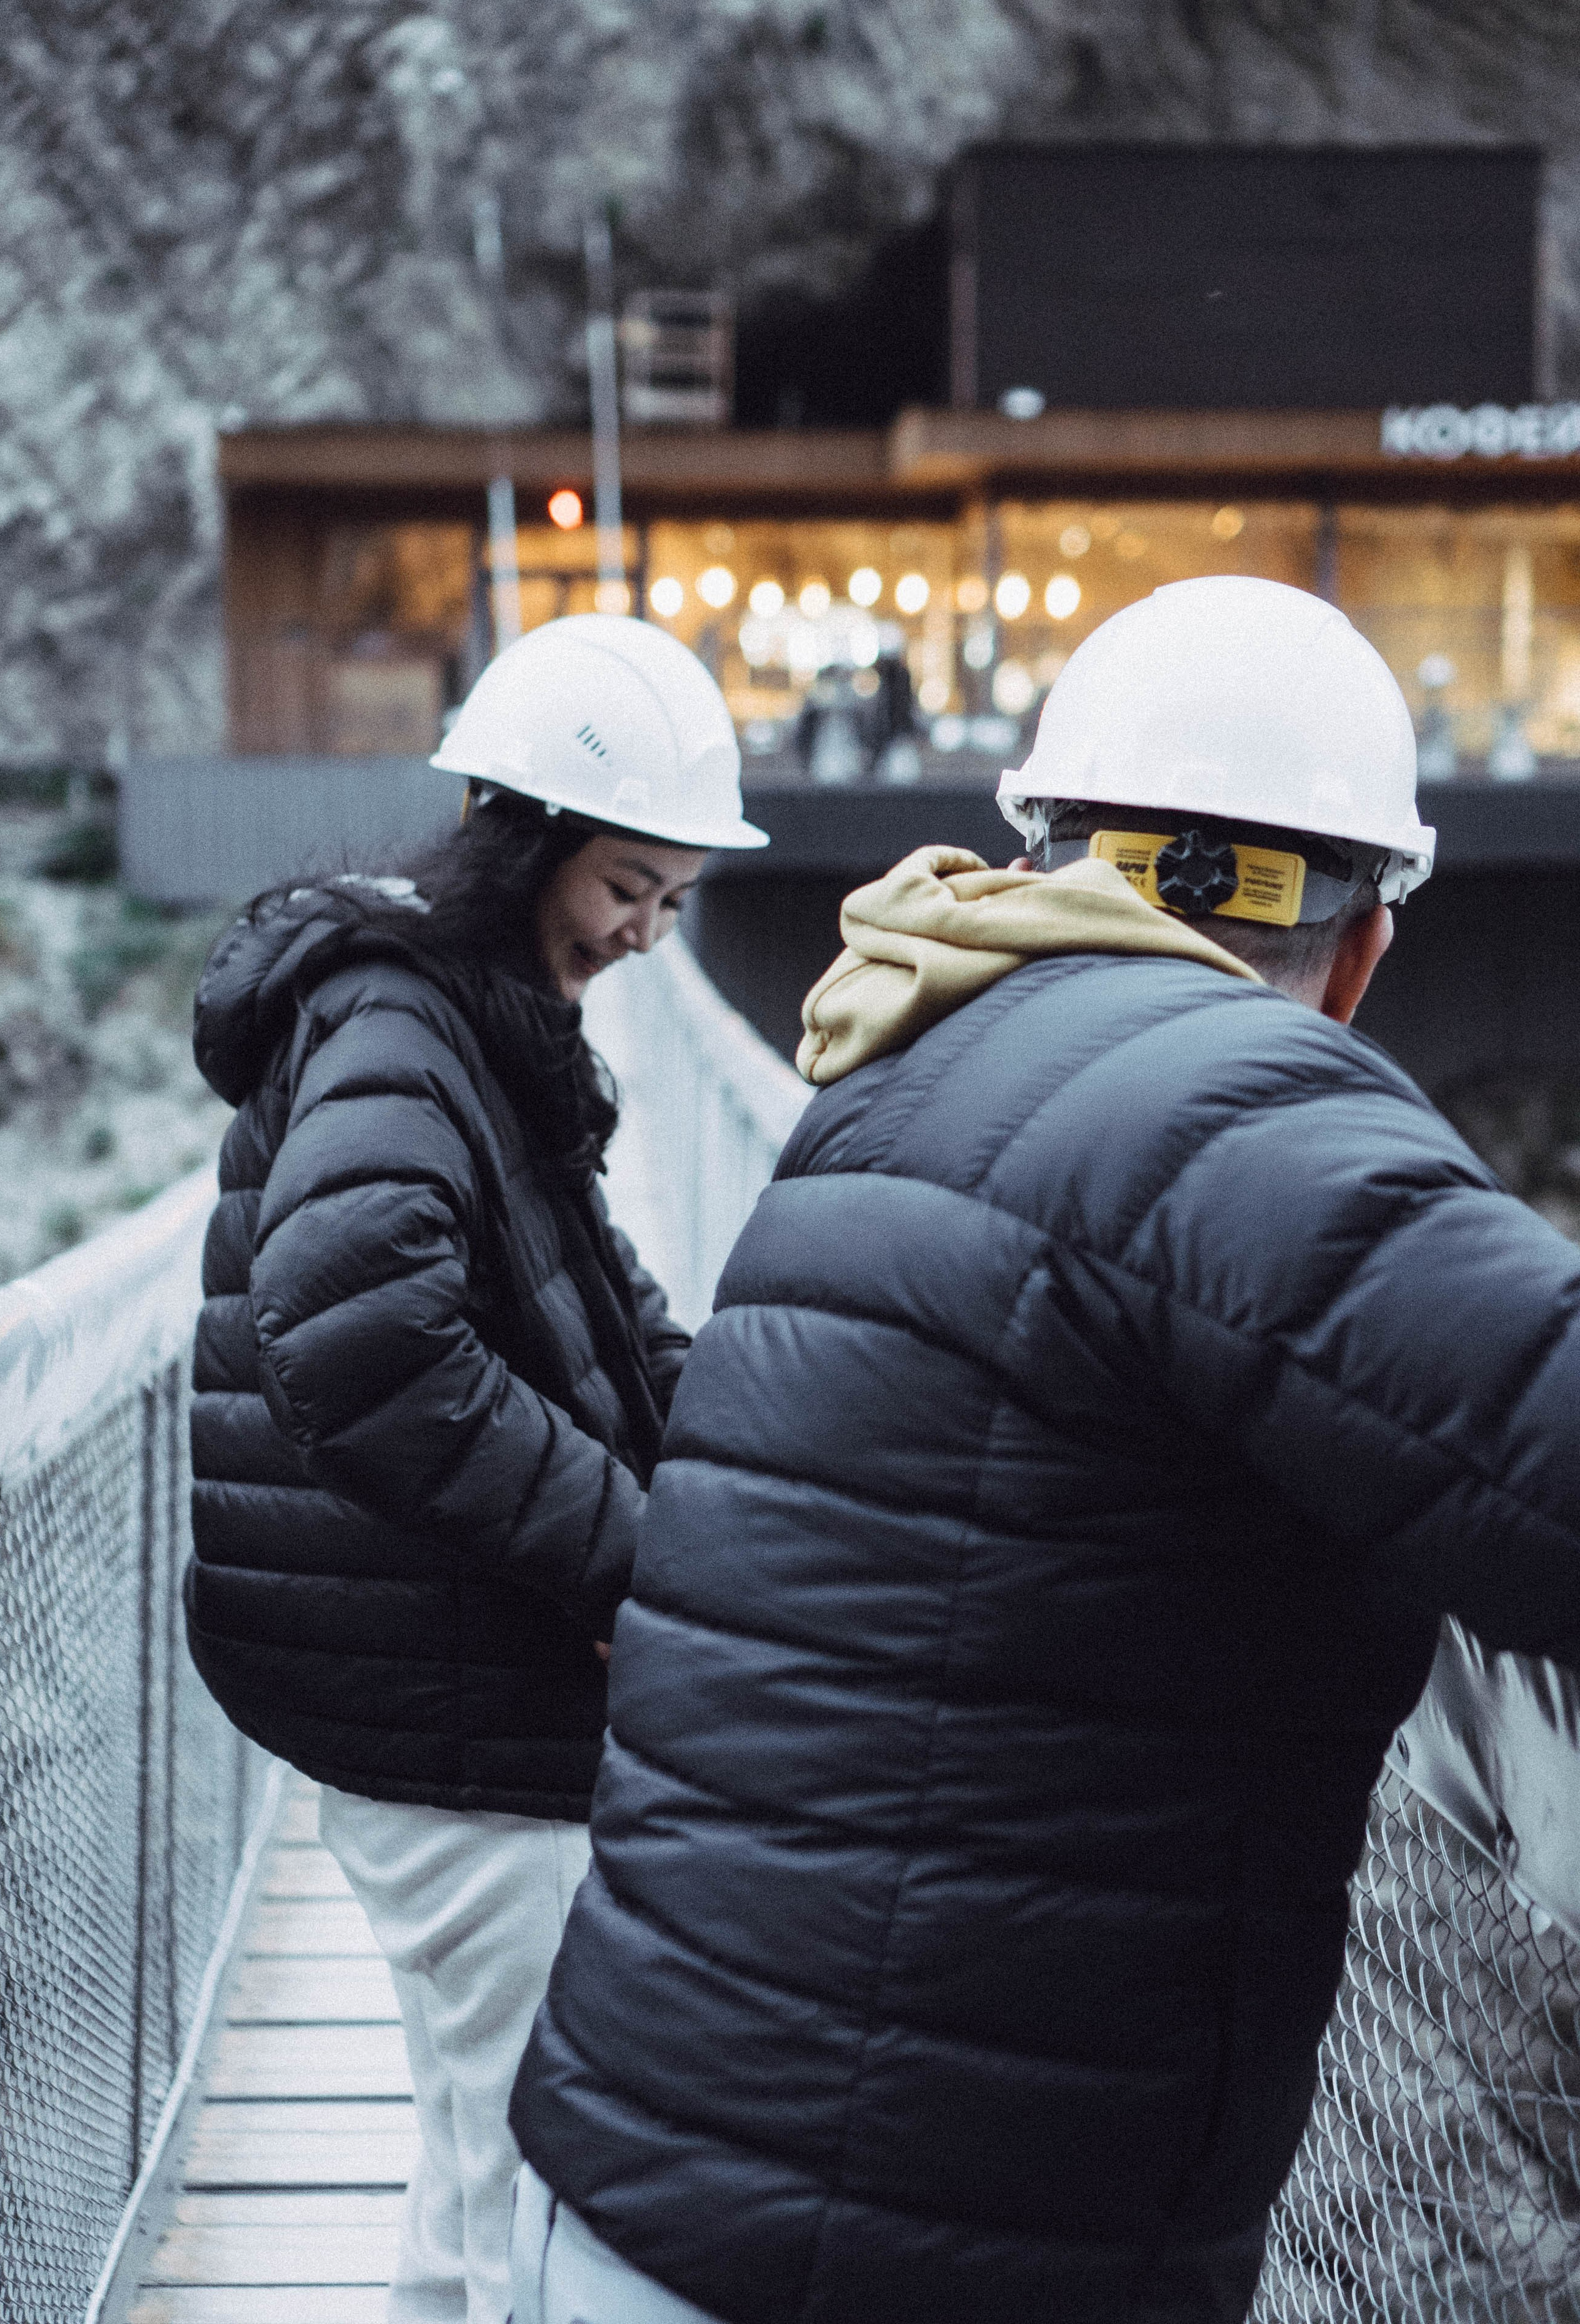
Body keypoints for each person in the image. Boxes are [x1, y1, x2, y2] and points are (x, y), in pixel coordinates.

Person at [507, 576, 1580, 2324]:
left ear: (1046, 858)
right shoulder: (1242, 1108)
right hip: (892, 2244)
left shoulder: (901, 1083)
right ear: (1367, 945)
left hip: (650, 2174)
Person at [185, 613, 766, 2324]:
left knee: (481, 2151)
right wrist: (628, 1562)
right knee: (533, 2174)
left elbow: (598, 1301)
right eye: (626, 889)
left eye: (673, 903)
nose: (647, 936)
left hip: (422, 1663)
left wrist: (756, 1479)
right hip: (434, 1688)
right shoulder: (397, 1020)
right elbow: (362, 1339)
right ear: (527, 837)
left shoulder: (475, 1014)